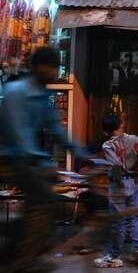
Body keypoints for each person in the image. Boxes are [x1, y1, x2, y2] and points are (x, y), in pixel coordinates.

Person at [0, 47, 85, 272]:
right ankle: (23, 261)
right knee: (46, 201)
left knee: (41, 200)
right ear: (39, 68)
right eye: (52, 67)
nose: (55, 73)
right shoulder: (15, 92)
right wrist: (46, 165)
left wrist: (83, 154)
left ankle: (18, 240)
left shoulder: (43, 96)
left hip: (23, 160)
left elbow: (56, 129)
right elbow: (21, 136)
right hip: (8, 158)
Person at [94, 112, 138, 268]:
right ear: (121, 125)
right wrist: (137, 175)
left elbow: (116, 167)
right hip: (133, 182)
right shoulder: (134, 139)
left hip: (118, 185)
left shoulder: (107, 145)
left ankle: (114, 256)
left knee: (118, 222)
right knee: (132, 217)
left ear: (105, 131)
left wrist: (118, 186)